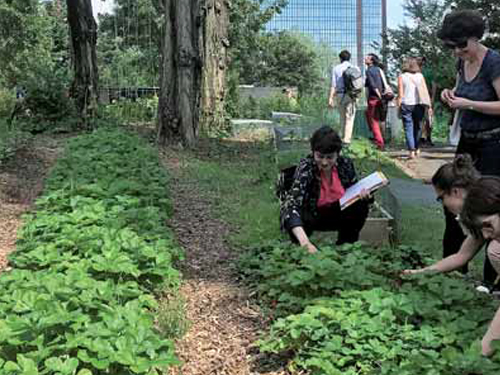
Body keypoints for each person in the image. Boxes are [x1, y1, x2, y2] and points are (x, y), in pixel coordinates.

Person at [401, 156, 500, 356]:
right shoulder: (484, 210)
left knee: (494, 250)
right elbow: (462, 255)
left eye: (441, 198)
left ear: (455, 191)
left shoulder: (485, 204)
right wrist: (421, 272)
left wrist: (481, 353)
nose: (488, 235)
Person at [438, 9, 500, 291]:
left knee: (487, 208)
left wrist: (468, 104)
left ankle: (491, 281)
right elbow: (460, 91)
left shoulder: (494, 62)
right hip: (468, 141)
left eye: (460, 46)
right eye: (452, 47)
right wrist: (449, 95)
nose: (457, 52)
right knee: (453, 202)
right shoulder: (462, 63)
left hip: (493, 144)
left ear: (475, 39)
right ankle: (452, 273)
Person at [279, 126, 370, 253]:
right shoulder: (306, 167)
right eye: (320, 156)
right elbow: (291, 206)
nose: (325, 162)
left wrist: (365, 195)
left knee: (361, 204)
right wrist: (305, 243)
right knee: (297, 212)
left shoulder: (345, 164)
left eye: (330, 157)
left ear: (337, 154)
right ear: (313, 152)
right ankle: (301, 245)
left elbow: (354, 191)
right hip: (312, 215)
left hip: (336, 212)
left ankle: (347, 247)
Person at [397, 57, 433, 159]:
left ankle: (411, 151)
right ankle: (416, 148)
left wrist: (398, 106)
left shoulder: (402, 76)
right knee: (418, 127)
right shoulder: (420, 76)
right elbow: (425, 91)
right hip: (419, 104)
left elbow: (400, 94)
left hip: (406, 105)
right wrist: (429, 105)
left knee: (408, 127)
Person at [328, 50, 358, 145]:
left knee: (342, 117)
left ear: (340, 58)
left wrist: (331, 98)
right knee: (350, 117)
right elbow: (358, 84)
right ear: (349, 58)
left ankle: (342, 136)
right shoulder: (355, 68)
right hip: (352, 95)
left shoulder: (336, 68)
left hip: (340, 95)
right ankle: (347, 139)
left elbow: (333, 85)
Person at [364, 53, 386, 150]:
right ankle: (380, 140)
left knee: (373, 121)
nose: (365, 58)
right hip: (380, 99)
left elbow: (373, 85)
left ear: (372, 61)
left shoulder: (368, 71)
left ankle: (380, 143)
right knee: (377, 119)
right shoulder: (378, 70)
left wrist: (378, 95)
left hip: (374, 98)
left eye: (368, 58)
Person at [417, 57, 437, 146]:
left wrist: (432, 98)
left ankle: (428, 137)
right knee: (420, 118)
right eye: (417, 59)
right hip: (417, 98)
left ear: (424, 61)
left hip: (426, 97)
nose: (418, 61)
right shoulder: (414, 71)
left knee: (428, 118)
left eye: (420, 59)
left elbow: (434, 85)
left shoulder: (428, 71)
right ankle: (420, 138)